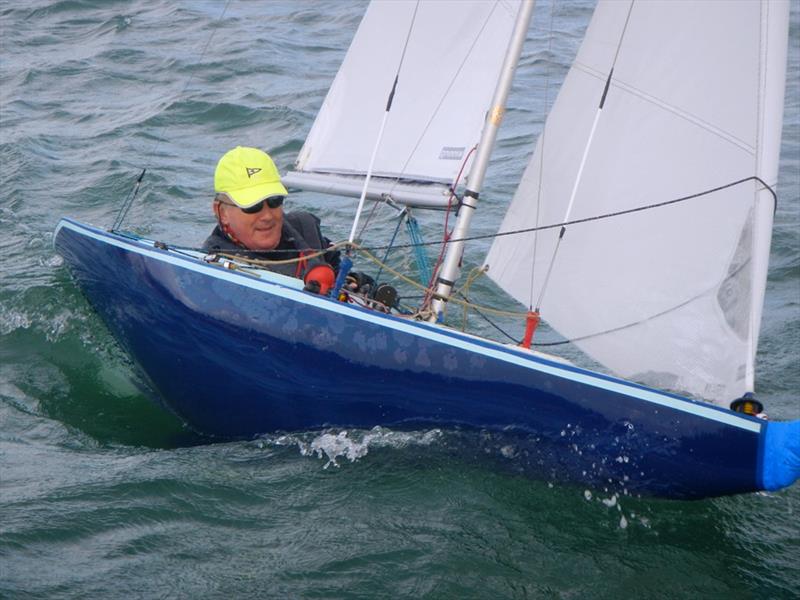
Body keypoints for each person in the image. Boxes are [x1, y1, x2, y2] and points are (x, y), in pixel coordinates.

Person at [203, 146, 339, 293]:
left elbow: (342, 272)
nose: (267, 216)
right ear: (222, 213)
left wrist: (356, 282)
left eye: (274, 200)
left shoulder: (306, 230)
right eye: (253, 205)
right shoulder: (213, 272)